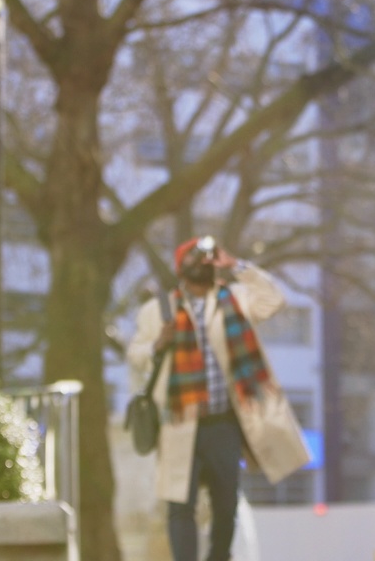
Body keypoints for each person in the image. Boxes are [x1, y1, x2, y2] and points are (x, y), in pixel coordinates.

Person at [128, 236, 310, 561]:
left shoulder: (236, 298)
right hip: (179, 421)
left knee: (226, 503)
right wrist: (157, 344)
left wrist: (238, 266)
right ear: (180, 267)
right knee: (179, 505)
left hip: (223, 423)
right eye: (196, 257)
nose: (204, 262)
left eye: (209, 257)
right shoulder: (157, 311)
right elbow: (135, 355)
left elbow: (273, 300)